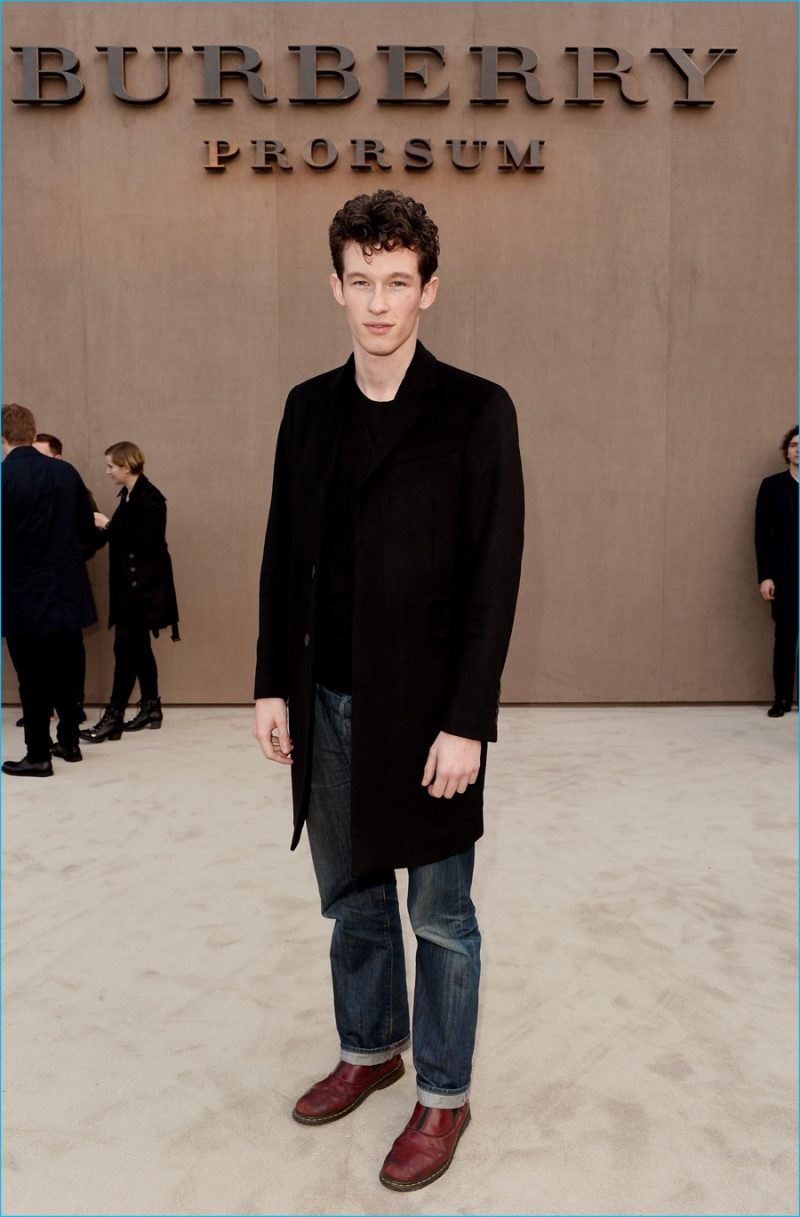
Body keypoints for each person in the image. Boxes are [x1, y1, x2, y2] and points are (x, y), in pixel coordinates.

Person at [253, 190, 524, 1191]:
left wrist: (467, 721)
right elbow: (285, 554)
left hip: (424, 716)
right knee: (352, 900)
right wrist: (271, 684)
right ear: (334, 285)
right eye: (359, 281)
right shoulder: (306, 408)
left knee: (441, 915)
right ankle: (371, 1048)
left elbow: (494, 573)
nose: (377, 302)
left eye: (396, 282)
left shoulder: (474, 409)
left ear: (428, 288)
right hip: (322, 699)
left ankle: (441, 1096)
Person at [2, 404, 97, 774]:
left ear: (3, 437)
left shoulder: (4, 477)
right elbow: (87, 529)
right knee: (67, 671)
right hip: (66, 591)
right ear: (32, 431)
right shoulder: (65, 472)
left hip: (21, 594)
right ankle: (70, 744)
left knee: (32, 678)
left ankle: (38, 754)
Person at [80, 441, 179, 742]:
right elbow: (117, 538)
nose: (107, 471)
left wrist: (108, 526)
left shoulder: (152, 499)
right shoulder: (129, 496)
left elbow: (145, 542)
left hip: (143, 591)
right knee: (138, 648)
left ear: (125, 465)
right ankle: (151, 706)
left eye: (111, 465)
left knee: (126, 650)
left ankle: (114, 716)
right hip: (131, 591)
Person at [756, 424, 798, 717]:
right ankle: (782, 699)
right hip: (784, 576)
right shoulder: (772, 486)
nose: (799, 449)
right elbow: (762, 534)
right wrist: (766, 576)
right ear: (787, 451)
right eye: (795, 444)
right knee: (784, 639)